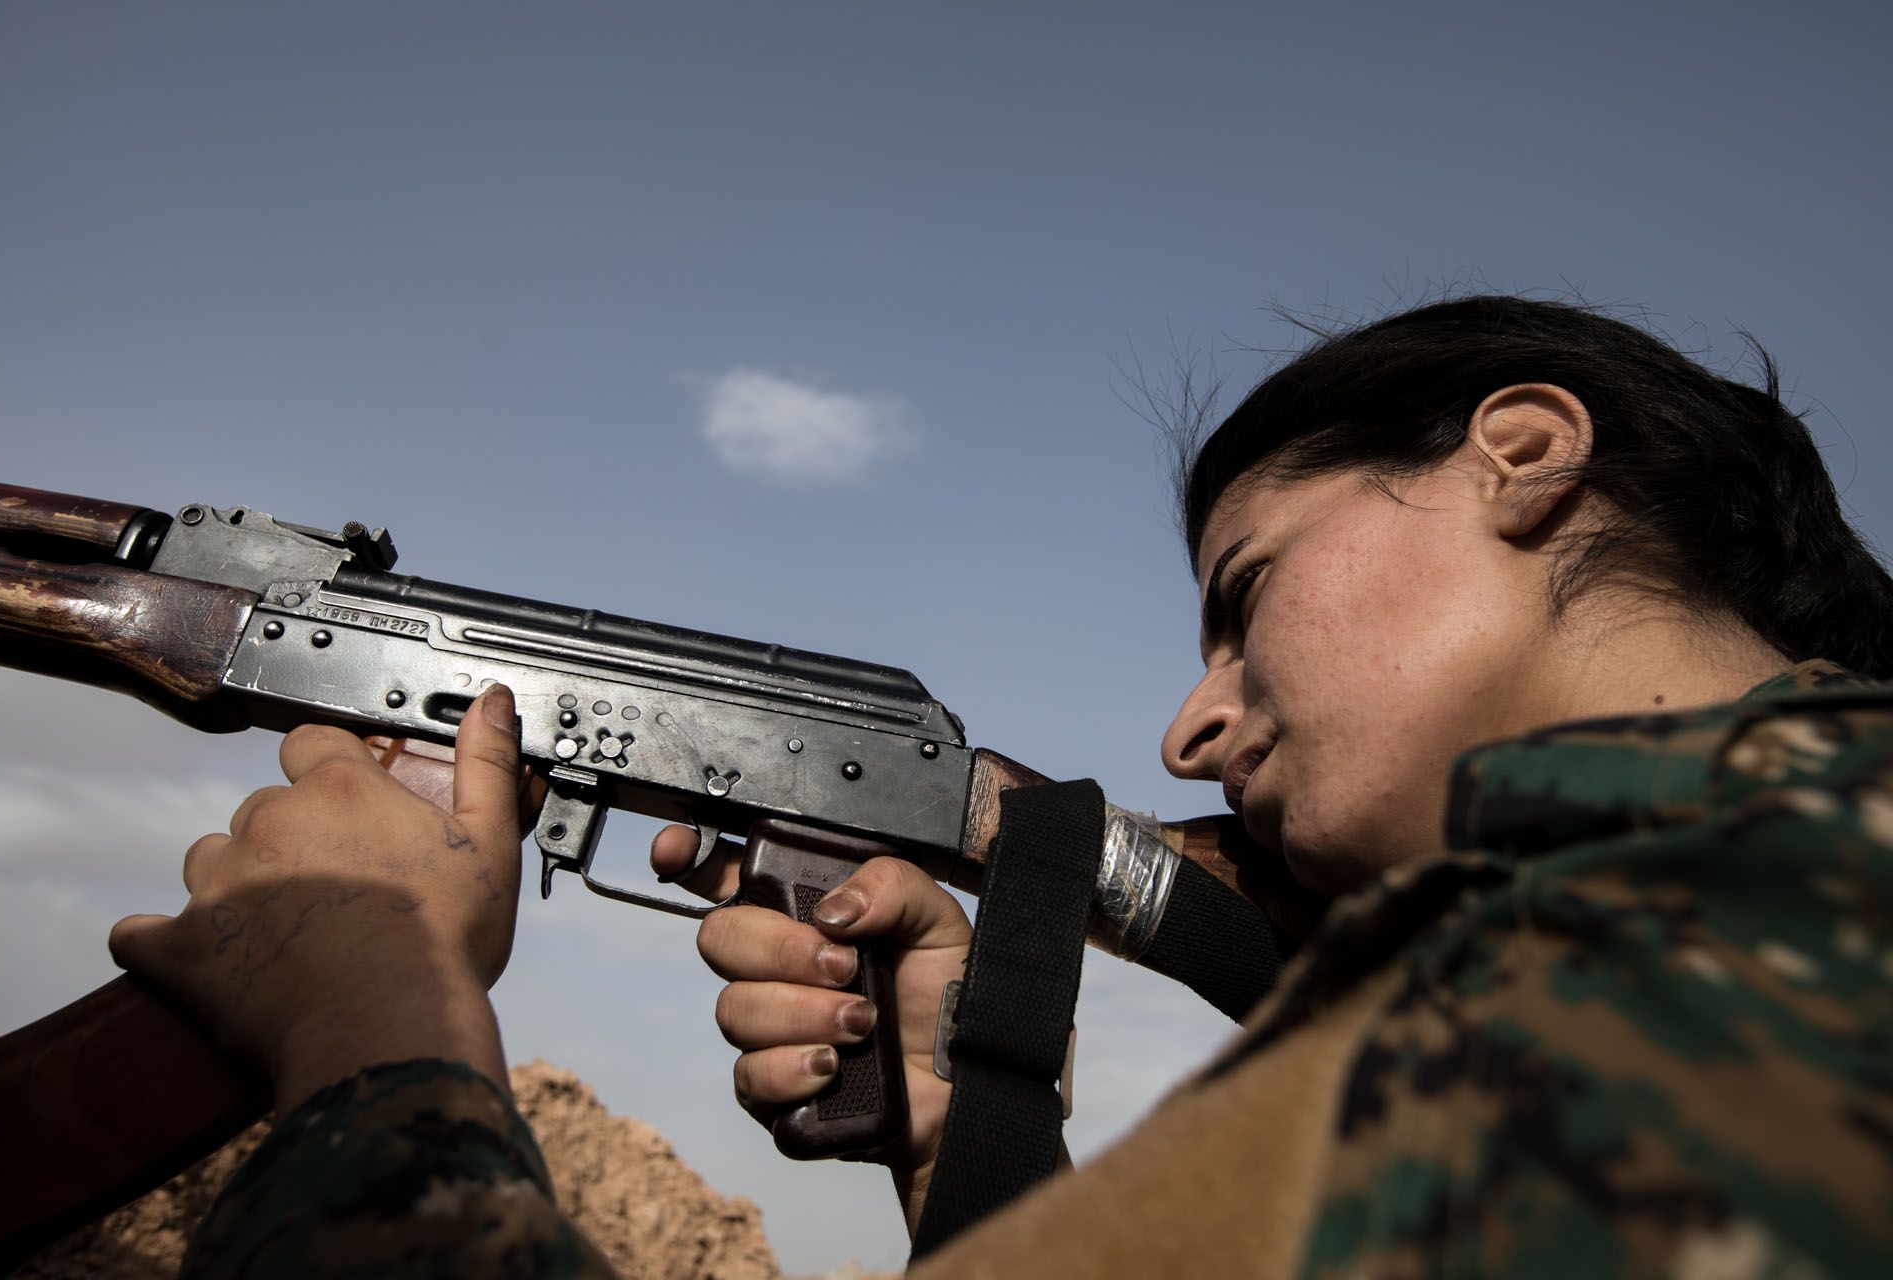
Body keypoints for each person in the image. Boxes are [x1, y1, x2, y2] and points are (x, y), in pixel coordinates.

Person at [110, 296, 1893, 1276]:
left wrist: (370, 1021)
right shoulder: (1712, 923)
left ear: (1524, 453)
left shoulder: (1716, 948)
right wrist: (964, 1123)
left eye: (1246, 595)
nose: (1190, 731)